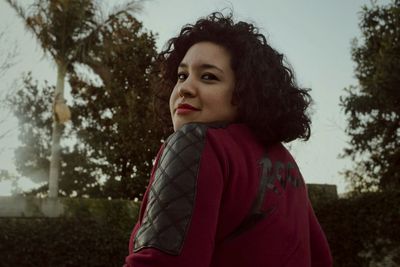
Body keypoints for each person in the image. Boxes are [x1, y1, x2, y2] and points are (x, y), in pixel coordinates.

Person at [124, 12, 332, 267]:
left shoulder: (196, 143)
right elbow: (321, 257)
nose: (184, 88)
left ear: (246, 91)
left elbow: (159, 262)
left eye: (208, 76)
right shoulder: (286, 164)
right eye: (181, 75)